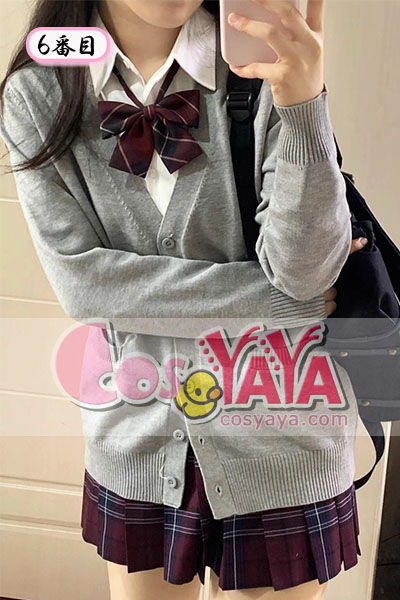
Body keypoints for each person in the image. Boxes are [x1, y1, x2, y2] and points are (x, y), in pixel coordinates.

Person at [0, 1, 366, 598]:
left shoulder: (263, 65)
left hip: (283, 434)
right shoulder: (40, 92)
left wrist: (303, 104)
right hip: (137, 436)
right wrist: (278, 305)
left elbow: (304, 274)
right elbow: (85, 286)